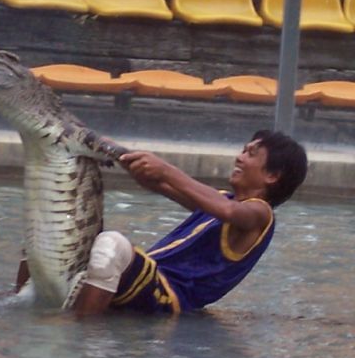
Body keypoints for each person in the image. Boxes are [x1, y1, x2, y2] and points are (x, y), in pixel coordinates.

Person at [73, 130, 308, 316]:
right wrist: (118, 153)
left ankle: (77, 332)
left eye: (251, 154)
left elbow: (228, 210)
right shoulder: (223, 200)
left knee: (112, 247)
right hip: (148, 283)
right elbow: (157, 184)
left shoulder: (259, 213)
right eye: (243, 150)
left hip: (166, 296)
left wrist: (166, 169)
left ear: (272, 175)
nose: (239, 157)